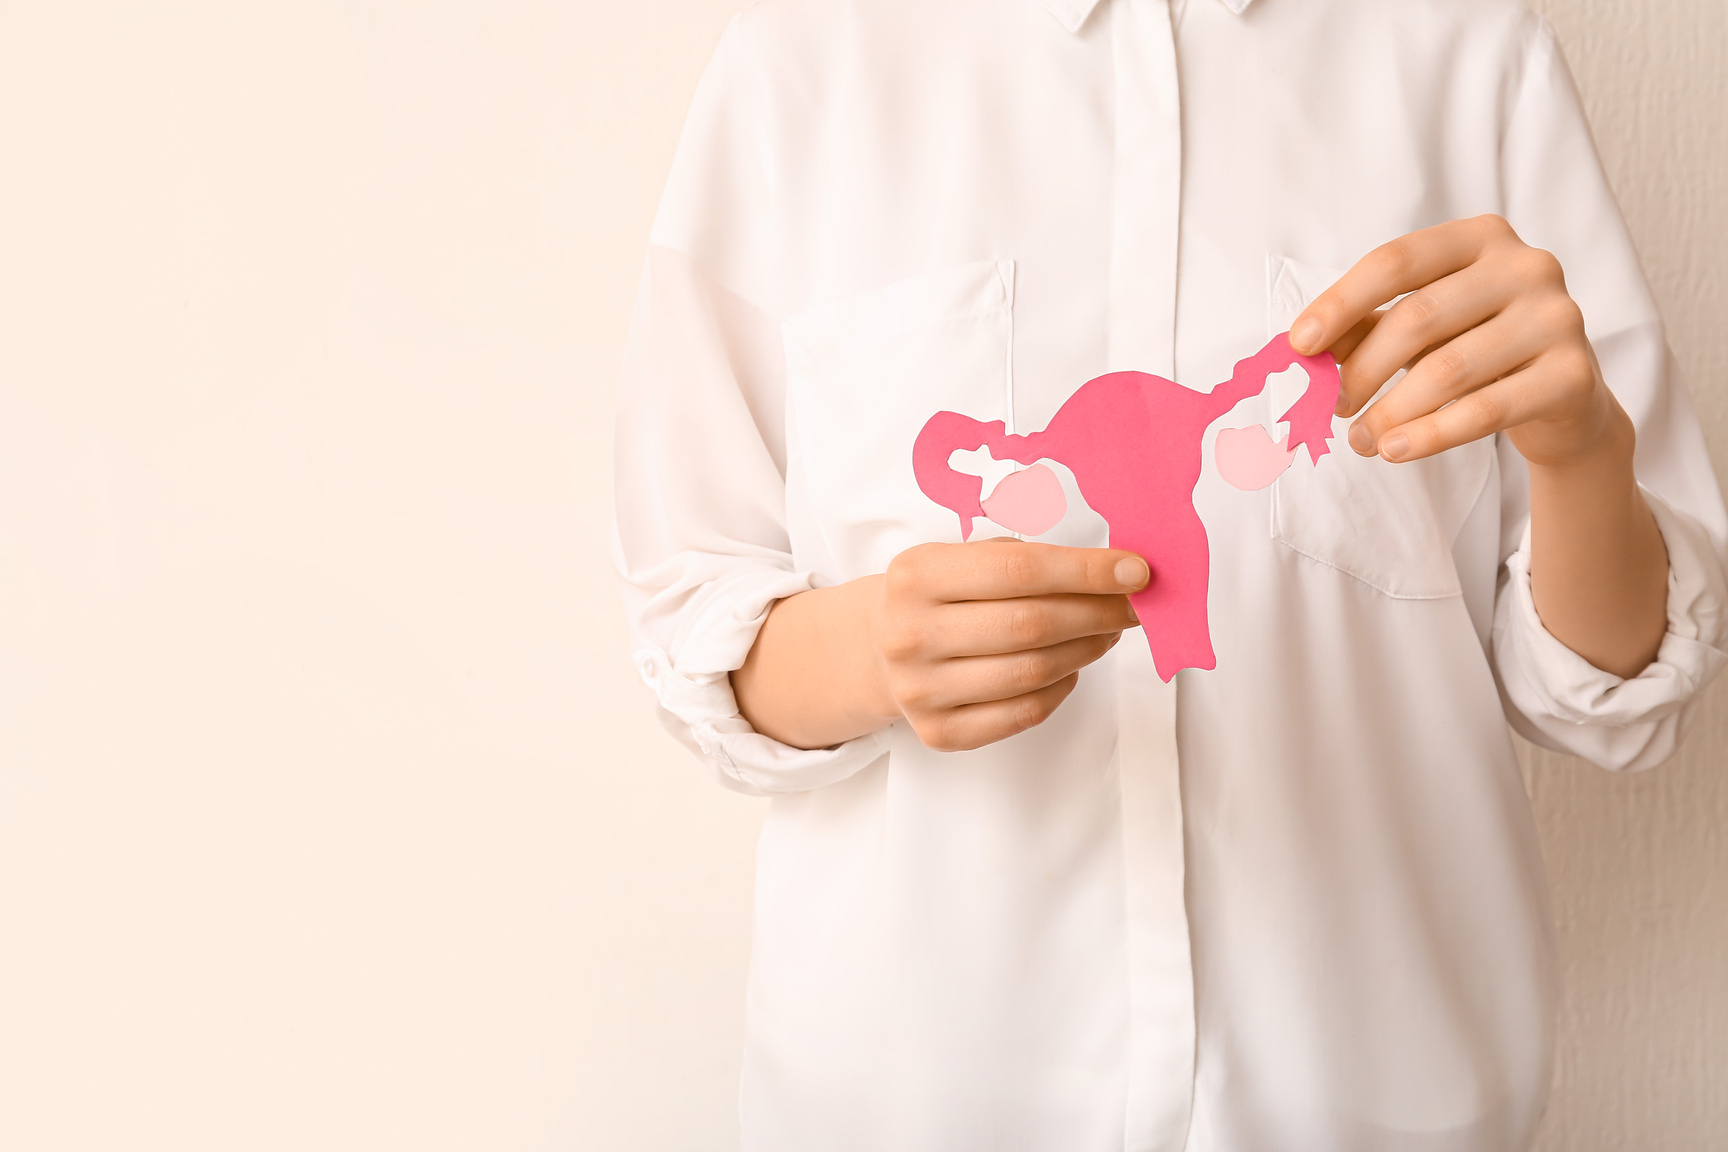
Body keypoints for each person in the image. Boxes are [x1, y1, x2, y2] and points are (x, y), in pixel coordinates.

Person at [612, 0, 1728, 1148]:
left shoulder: (1464, 52)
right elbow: (695, 620)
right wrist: (871, 650)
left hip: (1380, 1103)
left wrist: (1581, 446)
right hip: (913, 1100)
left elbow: (1616, 692)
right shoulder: (805, 59)